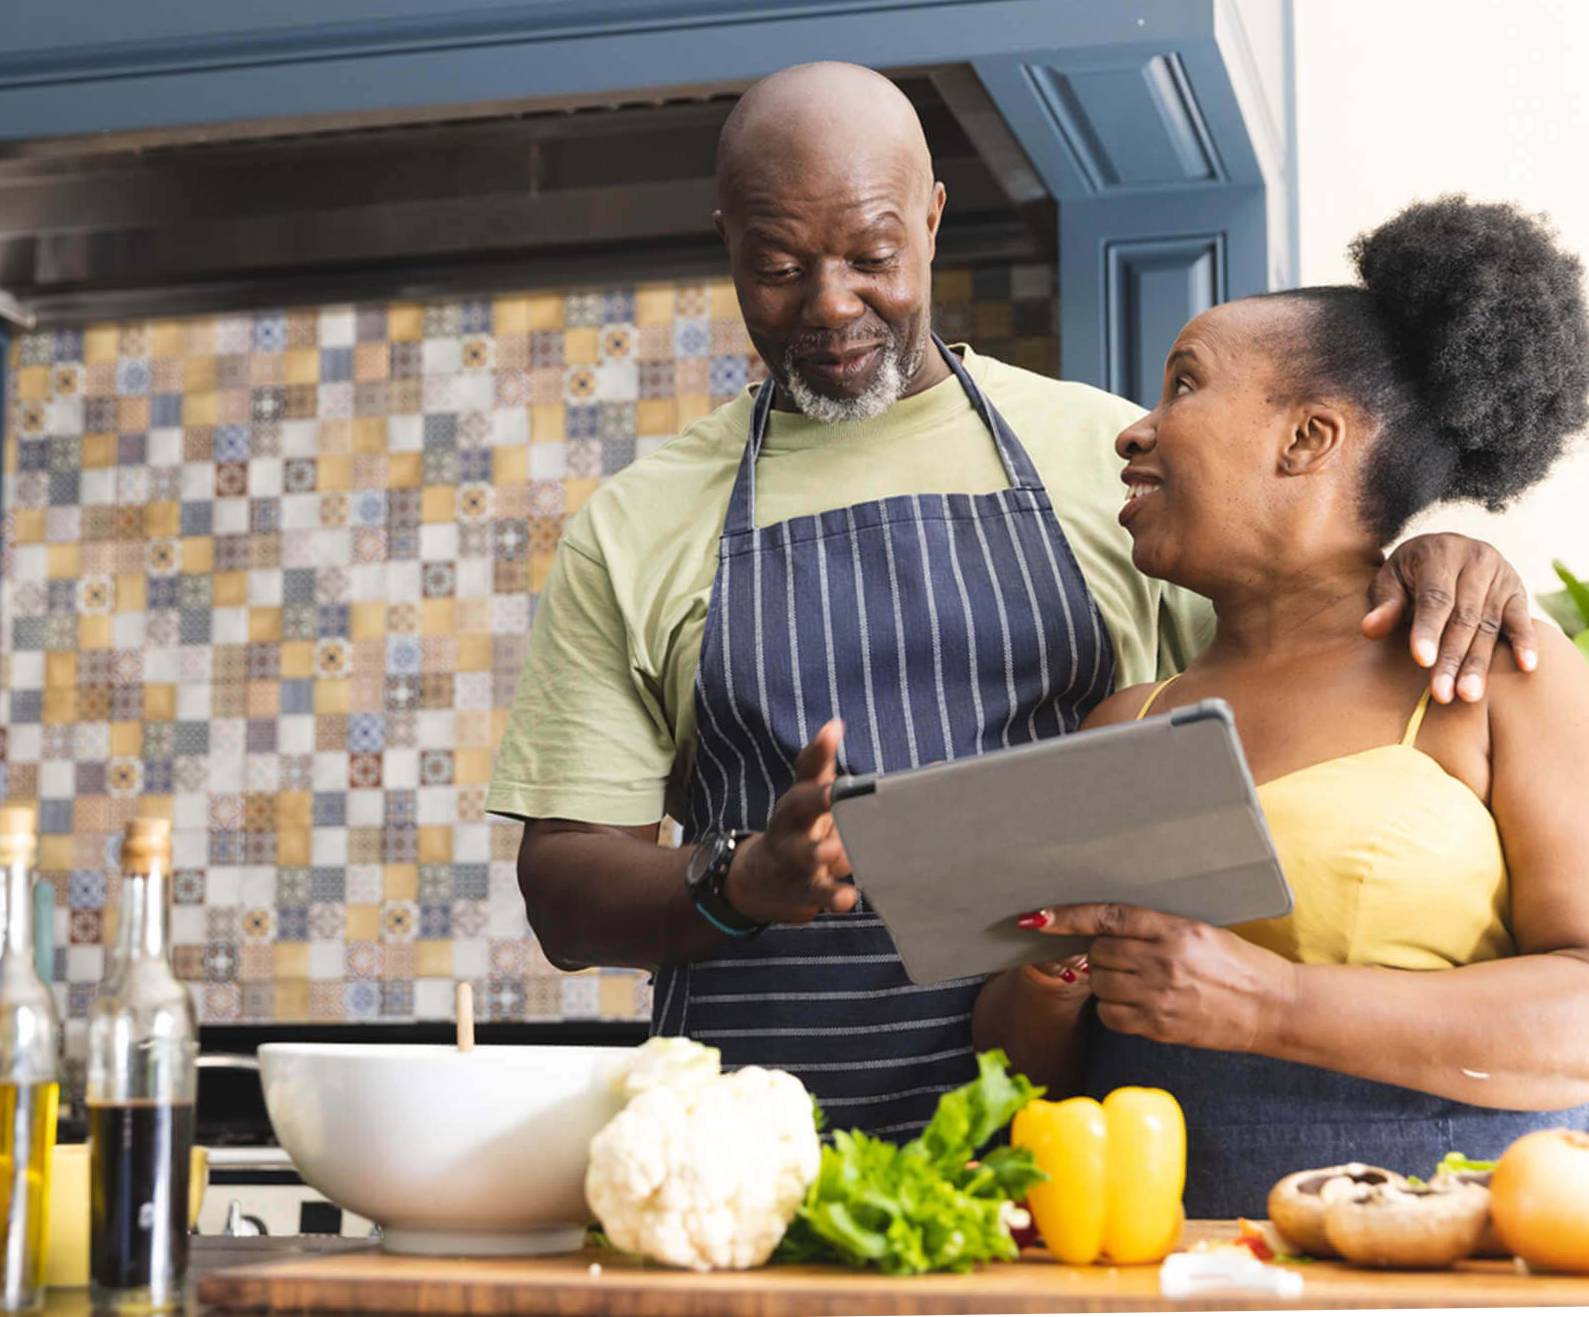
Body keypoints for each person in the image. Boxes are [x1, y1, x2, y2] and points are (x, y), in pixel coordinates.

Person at [487, 63, 1539, 1139]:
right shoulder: (636, 524)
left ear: (932, 221)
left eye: (870, 255)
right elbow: (564, 894)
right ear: (728, 245)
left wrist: (1432, 556)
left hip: (1070, 1164)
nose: (829, 302)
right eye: (777, 266)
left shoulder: (1115, 466)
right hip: (757, 1150)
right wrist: (739, 879)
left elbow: (1298, 621)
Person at [978, 196, 1589, 1214]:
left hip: (1442, 1265)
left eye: (1182, 385)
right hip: (1168, 1270)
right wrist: (1052, 982)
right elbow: (1025, 1080)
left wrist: (1271, 1004)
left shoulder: (1491, 672)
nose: (1133, 431)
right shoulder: (1121, 723)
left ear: (1307, 438)